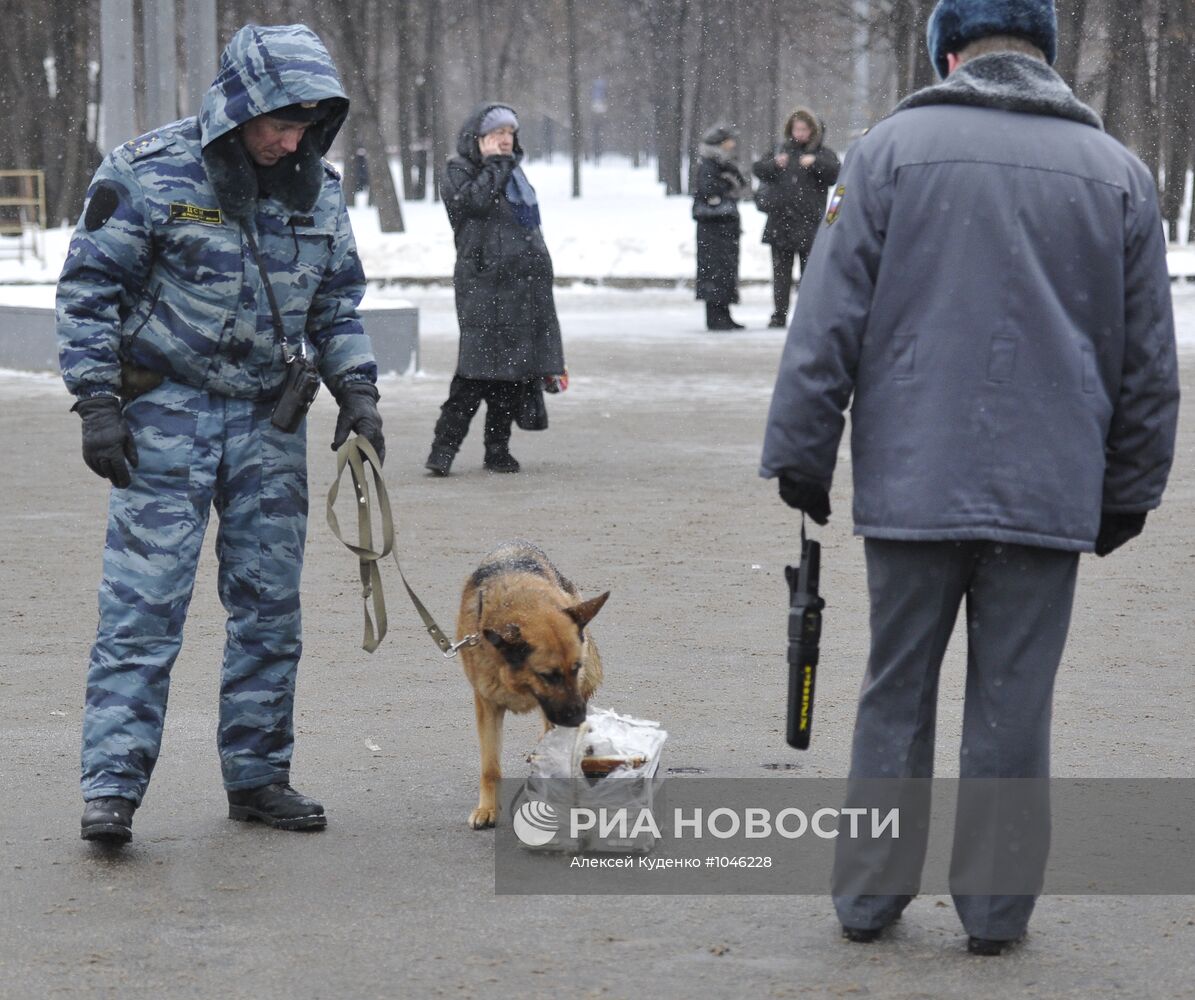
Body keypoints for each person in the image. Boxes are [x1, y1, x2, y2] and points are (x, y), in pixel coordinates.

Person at [760, 0, 1178, 956]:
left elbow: (827, 316)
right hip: (1047, 485)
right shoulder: (1118, 173)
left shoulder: (888, 153)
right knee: (1012, 704)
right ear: (1045, 55)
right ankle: (994, 912)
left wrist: (802, 450)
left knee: (894, 690)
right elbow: (1148, 361)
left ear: (947, 52)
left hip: (913, 474)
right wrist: (1129, 488)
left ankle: (869, 897)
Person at [57, 24, 385, 843]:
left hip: (270, 421)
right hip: (164, 414)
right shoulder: (148, 170)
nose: (288, 139)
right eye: (276, 122)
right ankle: (113, 788)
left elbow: (336, 303)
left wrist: (358, 388)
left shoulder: (319, 188)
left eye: (306, 126)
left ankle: (257, 775)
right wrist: (97, 401)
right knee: (143, 610)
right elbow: (89, 288)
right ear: (235, 108)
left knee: (270, 609)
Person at [425, 103, 565, 476]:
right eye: (496, 134)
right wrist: (495, 167)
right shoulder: (459, 170)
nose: (505, 141)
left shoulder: (516, 176)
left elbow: (529, 229)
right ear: (478, 138)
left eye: (509, 134)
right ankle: (443, 449)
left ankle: (497, 449)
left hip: (522, 288)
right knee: (474, 374)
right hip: (483, 286)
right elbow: (472, 204)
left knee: (512, 376)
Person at [752, 108, 840, 328]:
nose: (799, 133)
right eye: (796, 128)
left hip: (810, 224)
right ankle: (779, 314)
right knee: (781, 274)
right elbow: (758, 170)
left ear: (813, 131)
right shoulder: (780, 151)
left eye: (804, 129)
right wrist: (774, 164)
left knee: (809, 274)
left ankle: (807, 314)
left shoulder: (822, 154)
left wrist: (815, 163)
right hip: (781, 223)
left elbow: (836, 174)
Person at [693, 124, 750, 331]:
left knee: (724, 271)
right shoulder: (710, 164)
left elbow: (740, 183)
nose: (733, 144)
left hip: (723, 229)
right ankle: (716, 316)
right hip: (714, 230)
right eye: (729, 140)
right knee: (716, 272)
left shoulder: (721, 163)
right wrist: (727, 186)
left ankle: (723, 313)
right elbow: (709, 191)